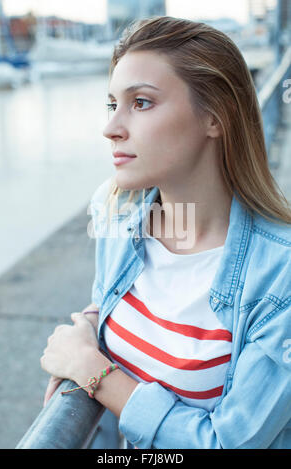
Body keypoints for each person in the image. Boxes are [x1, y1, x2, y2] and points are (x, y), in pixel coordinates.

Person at [40, 16, 291, 449]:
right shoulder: (118, 217)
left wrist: (94, 373)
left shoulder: (279, 276)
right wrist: (88, 325)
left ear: (215, 118)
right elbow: (111, 303)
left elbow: (229, 443)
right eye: (111, 103)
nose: (111, 127)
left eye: (141, 102)